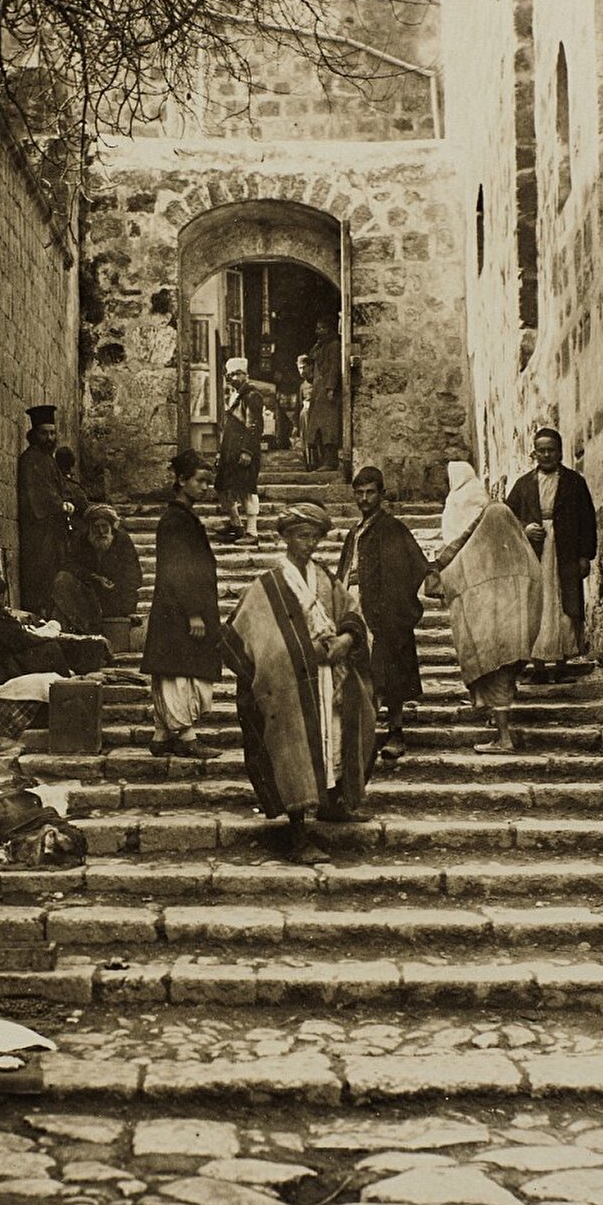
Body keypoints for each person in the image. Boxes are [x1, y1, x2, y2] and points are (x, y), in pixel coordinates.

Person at [221, 502, 377, 863]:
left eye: (314, 537)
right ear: (287, 537)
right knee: (294, 752)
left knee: (336, 739)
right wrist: (302, 654)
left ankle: (333, 805)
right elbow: (249, 636)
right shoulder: (268, 585)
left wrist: (347, 641)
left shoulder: (325, 579)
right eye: (302, 536)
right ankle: (297, 834)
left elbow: (351, 612)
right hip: (291, 687)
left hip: (329, 682)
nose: (309, 543)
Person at [430, 462, 541, 754]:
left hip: (495, 633)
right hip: (515, 630)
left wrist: (440, 572)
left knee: (497, 678)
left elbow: (458, 560)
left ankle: (503, 738)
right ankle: (499, 730)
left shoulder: (480, 550)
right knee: (504, 678)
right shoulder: (519, 555)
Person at [336, 465, 431, 763]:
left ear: (381, 494)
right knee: (359, 671)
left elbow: (417, 566)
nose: (364, 499)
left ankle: (395, 732)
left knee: (389, 670)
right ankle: (362, 734)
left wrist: (394, 609)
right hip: (356, 607)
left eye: (370, 493)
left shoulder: (392, 528)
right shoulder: (355, 532)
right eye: (359, 493)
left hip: (385, 611)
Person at [140, 450, 222, 760]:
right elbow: (177, 569)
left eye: (208, 482)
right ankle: (186, 736)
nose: (205, 487)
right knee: (178, 672)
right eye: (200, 481)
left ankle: (162, 735)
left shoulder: (183, 518)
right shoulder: (175, 521)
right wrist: (194, 613)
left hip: (177, 609)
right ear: (181, 480)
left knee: (173, 669)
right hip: (179, 610)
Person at [506, 427, 598, 681]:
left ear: (560, 452)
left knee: (563, 604)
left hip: (565, 551)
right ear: (534, 453)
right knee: (538, 605)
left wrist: (584, 556)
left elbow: (587, 520)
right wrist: (525, 529)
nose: (546, 455)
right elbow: (506, 515)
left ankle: (561, 664)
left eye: (551, 450)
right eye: (541, 450)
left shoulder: (574, 482)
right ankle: (537, 667)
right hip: (534, 553)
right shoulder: (524, 485)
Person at [50, 503, 142, 635]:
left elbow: (133, 576)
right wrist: (95, 577)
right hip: (88, 595)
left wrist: (129, 610)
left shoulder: (122, 540)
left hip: (114, 598)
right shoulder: (81, 539)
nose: (100, 532)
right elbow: (69, 565)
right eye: (96, 527)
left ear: (111, 527)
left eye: (104, 527)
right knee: (62, 579)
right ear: (89, 528)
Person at [17, 404, 73, 614]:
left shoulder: (48, 460)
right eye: (44, 433)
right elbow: (38, 494)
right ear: (34, 435)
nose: (49, 438)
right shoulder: (31, 460)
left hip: (52, 534)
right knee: (40, 578)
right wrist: (60, 505)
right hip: (39, 535)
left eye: (52, 433)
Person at [0, 575, 72, 681]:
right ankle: (66, 684)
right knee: (51, 648)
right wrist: (46, 638)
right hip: (1, 667)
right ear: (0, 596)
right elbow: (21, 640)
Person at [215, 357, 264, 546]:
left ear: (246, 375)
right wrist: (221, 453)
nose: (234, 378)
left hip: (244, 452)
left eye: (238, 374)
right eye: (231, 374)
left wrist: (248, 451)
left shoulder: (252, 396)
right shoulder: (234, 396)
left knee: (246, 490)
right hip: (230, 452)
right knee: (222, 486)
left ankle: (252, 532)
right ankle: (236, 525)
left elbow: (254, 426)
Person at [307, 315, 342, 471]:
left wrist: (331, 388)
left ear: (329, 329)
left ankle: (330, 461)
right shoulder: (320, 346)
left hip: (327, 388)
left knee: (329, 427)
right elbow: (311, 357)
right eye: (317, 328)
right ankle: (320, 461)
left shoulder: (334, 345)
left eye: (322, 328)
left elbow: (335, 366)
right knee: (317, 427)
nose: (319, 331)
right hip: (318, 389)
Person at [55, 445, 90, 537]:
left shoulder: (51, 483)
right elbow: (85, 509)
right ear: (72, 464)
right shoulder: (74, 487)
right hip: (73, 532)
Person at [295, 353, 315, 468]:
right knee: (305, 440)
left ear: (311, 366)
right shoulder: (302, 386)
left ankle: (315, 463)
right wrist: (295, 426)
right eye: (299, 368)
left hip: (315, 415)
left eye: (303, 367)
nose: (301, 371)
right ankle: (308, 464)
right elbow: (298, 405)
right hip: (305, 415)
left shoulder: (318, 382)